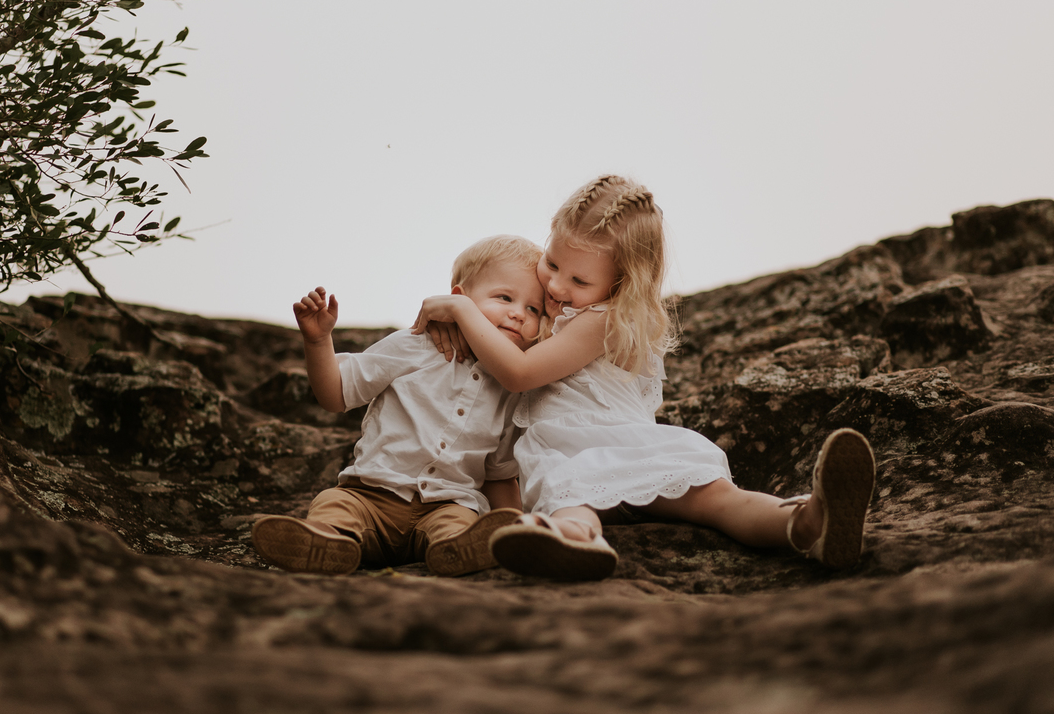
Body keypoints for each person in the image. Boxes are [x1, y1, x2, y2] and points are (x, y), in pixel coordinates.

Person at [411, 174, 876, 581]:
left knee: (709, 502)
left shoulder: (602, 321)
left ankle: (810, 521)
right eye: (552, 264)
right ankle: (577, 541)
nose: (555, 287)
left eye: (579, 281)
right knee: (715, 502)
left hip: (580, 450)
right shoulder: (556, 316)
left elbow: (519, 373)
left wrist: (461, 309)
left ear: (620, 285)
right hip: (640, 454)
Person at [251, 235, 547, 576]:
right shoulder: (415, 345)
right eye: (505, 297)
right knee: (335, 505)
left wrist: (518, 531)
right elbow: (335, 395)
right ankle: (328, 542)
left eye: (533, 309)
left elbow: (498, 475)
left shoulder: (513, 389)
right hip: (371, 495)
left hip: (447, 504)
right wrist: (317, 340)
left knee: (462, 523)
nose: (518, 314)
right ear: (459, 300)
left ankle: (456, 549)